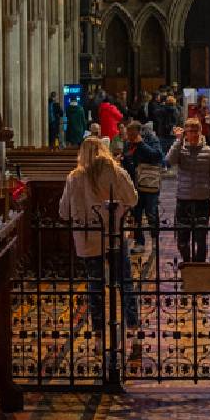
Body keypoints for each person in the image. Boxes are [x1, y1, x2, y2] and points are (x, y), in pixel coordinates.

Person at [58, 137, 140, 331]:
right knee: (125, 282)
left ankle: (98, 333)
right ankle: (133, 327)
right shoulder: (115, 172)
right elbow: (133, 199)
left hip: (88, 236)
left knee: (95, 285)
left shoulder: (74, 177)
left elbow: (64, 212)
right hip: (113, 233)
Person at [168, 122, 210, 262]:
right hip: (183, 200)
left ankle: (198, 270)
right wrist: (178, 141)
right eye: (189, 131)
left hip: (202, 201)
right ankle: (188, 264)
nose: (193, 134)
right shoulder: (180, 150)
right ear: (186, 133)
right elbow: (169, 161)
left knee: (200, 241)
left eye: (196, 131)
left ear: (200, 132)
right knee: (182, 241)